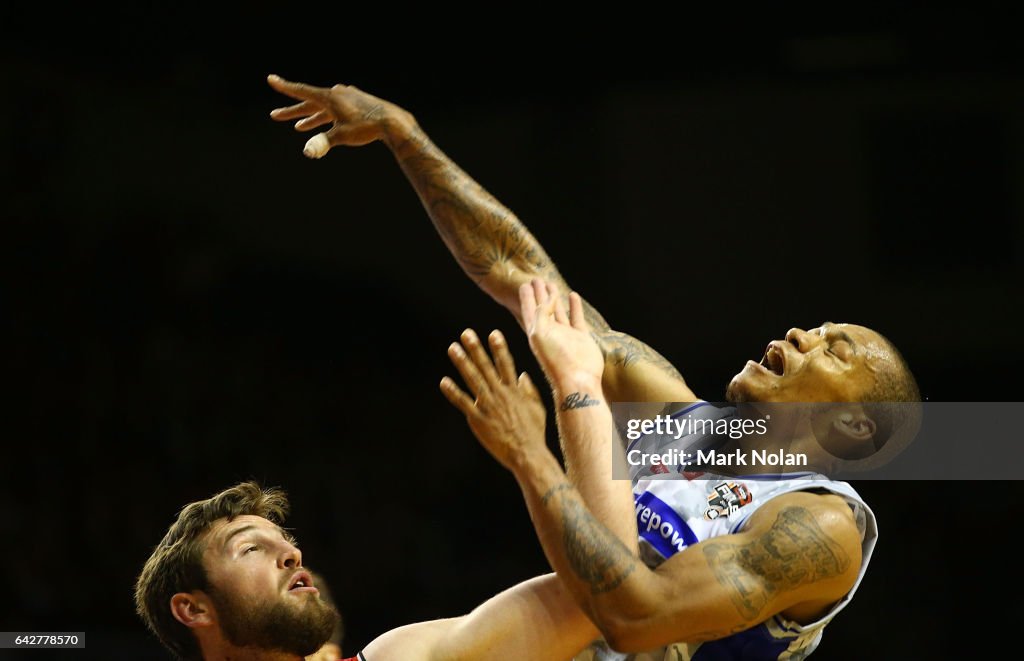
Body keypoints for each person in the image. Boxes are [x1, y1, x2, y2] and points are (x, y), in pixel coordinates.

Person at [267, 73, 921, 659]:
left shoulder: (820, 525)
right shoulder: (679, 418)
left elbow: (637, 620)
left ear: (855, 426)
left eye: (833, 348)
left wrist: (532, 453)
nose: (801, 332)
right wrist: (403, 134)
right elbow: (526, 276)